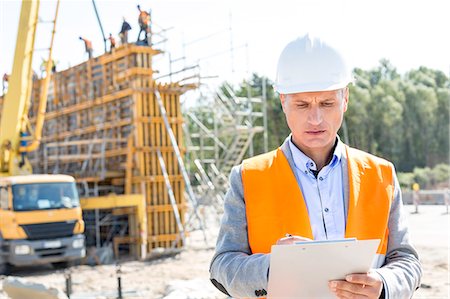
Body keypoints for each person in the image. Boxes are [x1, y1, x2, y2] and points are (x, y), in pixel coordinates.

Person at [209, 34, 422, 299]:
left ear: (345, 99)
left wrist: (383, 284)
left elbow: (408, 261)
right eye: (302, 104)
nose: (315, 118)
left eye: (327, 103)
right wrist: (272, 268)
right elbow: (222, 266)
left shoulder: (381, 175)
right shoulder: (248, 177)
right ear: (282, 101)